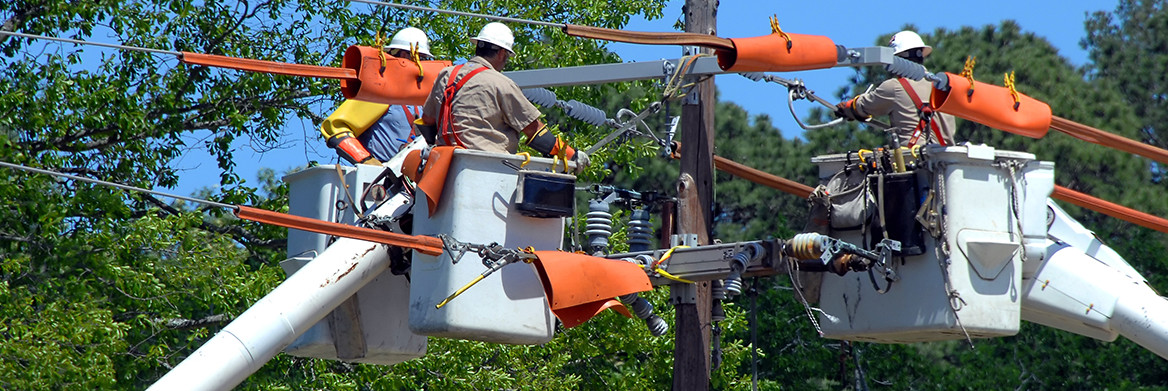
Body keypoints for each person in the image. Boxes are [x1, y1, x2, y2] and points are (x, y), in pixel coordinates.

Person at [415, 22, 589, 172]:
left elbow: (428, 121)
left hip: (442, 169)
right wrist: (571, 155)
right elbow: (534, 130)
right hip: (489, 170)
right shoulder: (501, 83)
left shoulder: (446, 75)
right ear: (501, 53)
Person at [319, 27, 434, 166]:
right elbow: (335, 128)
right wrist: (366, 160)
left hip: (413, 178)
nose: (423, 64)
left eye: (425, 59)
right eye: (420, 58)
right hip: (381, 178)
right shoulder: (381, 93)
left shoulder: (421, 100)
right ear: (403, 56)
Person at [836, 30, 957, 147]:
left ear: (896, 60)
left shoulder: (894, 87)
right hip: (949, 160)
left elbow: (864, 106)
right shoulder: (942, 86)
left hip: (916, 160)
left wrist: (847, 108)